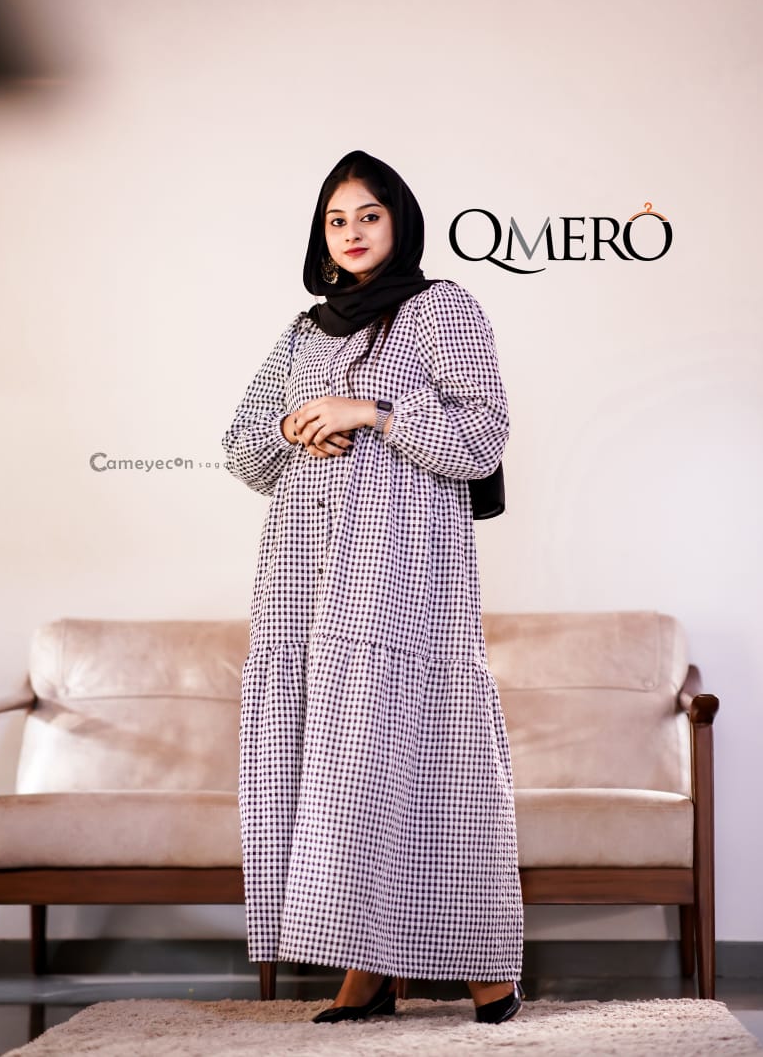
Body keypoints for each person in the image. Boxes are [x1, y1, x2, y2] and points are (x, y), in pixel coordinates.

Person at [221, 149, 524, 1024]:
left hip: (404, 567)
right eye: (336, 219)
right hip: (304, 574)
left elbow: (484, 436)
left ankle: (483, 964)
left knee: (429, 756)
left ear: (401, 223)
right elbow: (243, 449)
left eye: (368, 216)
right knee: (339, 769)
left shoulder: (441, 308)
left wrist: (373, 414)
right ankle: (369, 966)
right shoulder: (303, 331)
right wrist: (295, 425)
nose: (351, 233)